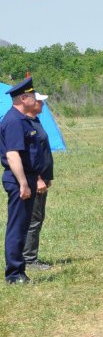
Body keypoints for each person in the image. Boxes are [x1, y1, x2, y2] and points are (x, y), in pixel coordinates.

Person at [2, 77, 40, 284]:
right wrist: (23, 183)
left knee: (22, 226)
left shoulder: (22, 119)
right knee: (17, 227)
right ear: (23, 98)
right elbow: (13, 155)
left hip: (26, 178)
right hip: (18, 180)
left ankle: (19, 271)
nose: (35, 99)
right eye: (32, 96)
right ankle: (14, 274)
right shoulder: (14, 121)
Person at [21, 91, 54, 271]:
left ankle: (30, 256)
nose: (42, 104)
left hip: (41, 180)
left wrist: (47, 177)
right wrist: (39, 178)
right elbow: (30, 156)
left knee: (38, 217)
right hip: (34, 180)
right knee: (33, 219)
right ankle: (29, 259)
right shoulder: (26, 124)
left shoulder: (36, 121)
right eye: (39, 102)